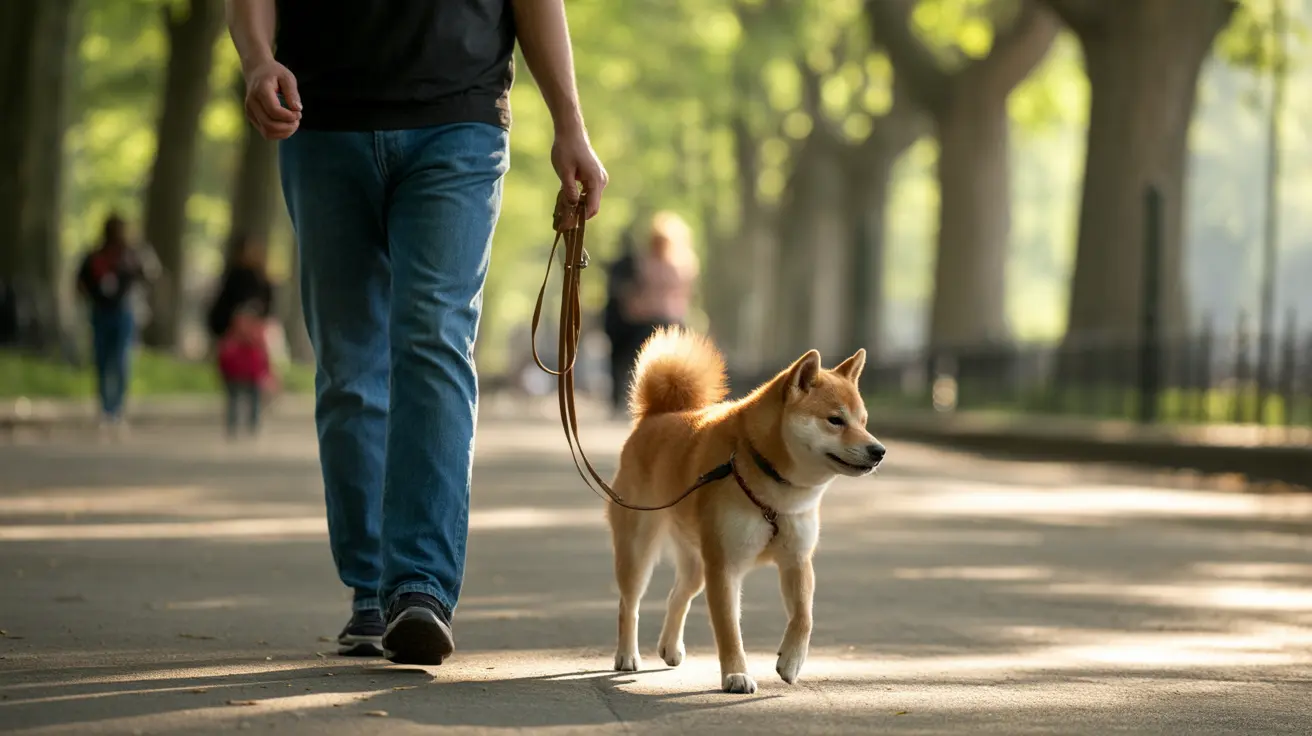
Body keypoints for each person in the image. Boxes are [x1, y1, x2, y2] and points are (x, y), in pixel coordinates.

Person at [225, 0, 608, 663]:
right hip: (320, 122)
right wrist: (258, 60)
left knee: (432, 339)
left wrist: (570, 123)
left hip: (458, 121)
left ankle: (419, 586)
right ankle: (371, 588)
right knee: (349, 368)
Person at [74, 214, 157, 430]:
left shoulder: (130, 255)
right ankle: (106, 408)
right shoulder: (95, 256)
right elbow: (80, 283)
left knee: (120, 360)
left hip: (123, 313)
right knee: (103, 360)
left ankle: (116, 408)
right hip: (101, 312)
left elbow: (148, 276)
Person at [615, 211, 700, 386]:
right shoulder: (645, 262)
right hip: (645, 319)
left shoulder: (683, 263)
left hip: (671, 319)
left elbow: (684, 294)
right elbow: (636, 291)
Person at [216, 304, 273, 439]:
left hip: (252, 375)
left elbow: (264, 357)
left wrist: (266, 373)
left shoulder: (256, 338)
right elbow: (223, 357)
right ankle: (234, 426)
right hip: (234, 375)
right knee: (234, 402)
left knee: (254, 402)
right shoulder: (231, 339)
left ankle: (252, 425)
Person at [206, 233, 275, 344]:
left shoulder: (262, 280)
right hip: (232, 322)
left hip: (255, 323)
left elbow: (268, 306)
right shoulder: (235, 275)